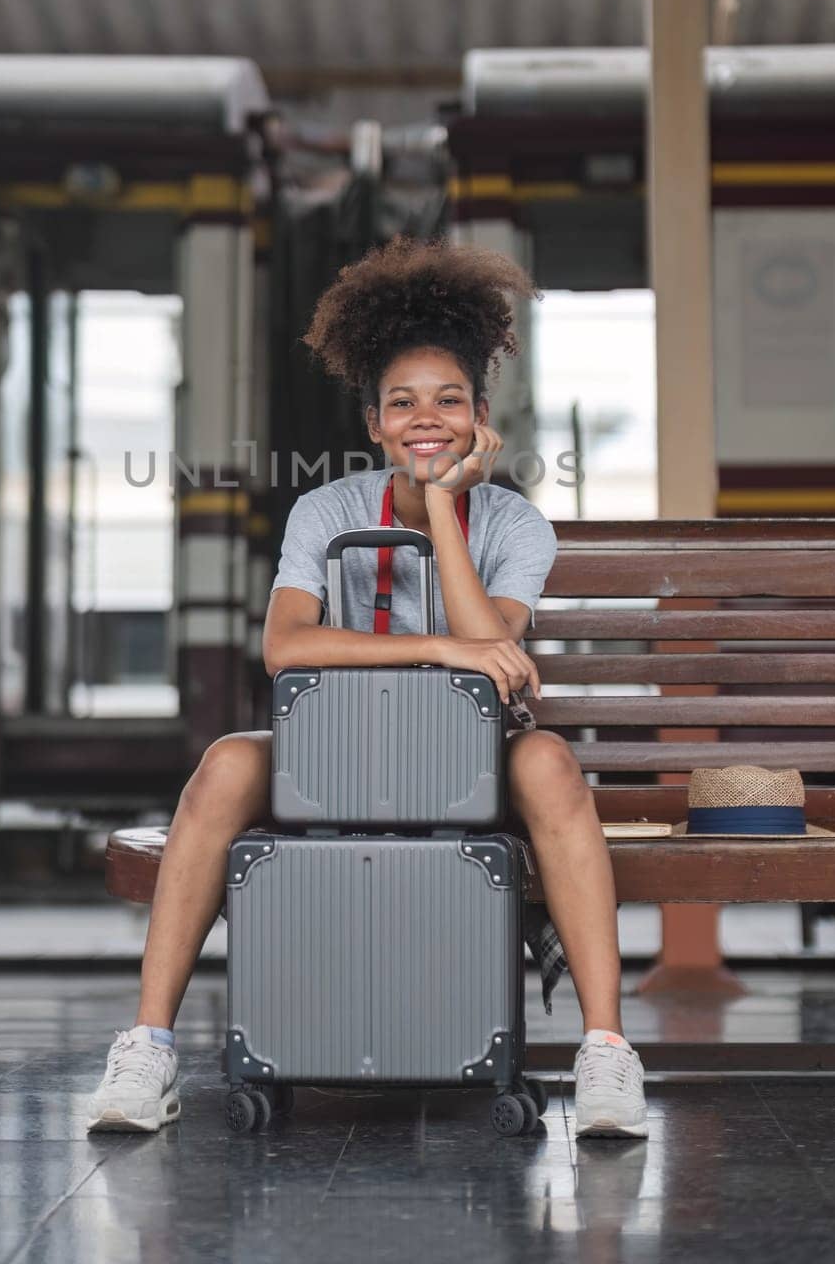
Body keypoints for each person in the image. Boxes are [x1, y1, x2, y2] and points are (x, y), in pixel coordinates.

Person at [88, 236, 647, 1139]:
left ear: (480, 415)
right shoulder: (327, 511)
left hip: (470, 755)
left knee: (546, 765)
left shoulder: (514, 523)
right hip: (336, 750)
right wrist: (433, 646)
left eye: (449, 400)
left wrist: (441, 515)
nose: (427, 419)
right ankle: (147, 1049)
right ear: (375, 425)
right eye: (403, 403)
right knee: (227, 765)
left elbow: (493, 650)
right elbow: (284, 648)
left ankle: (606, 1053)